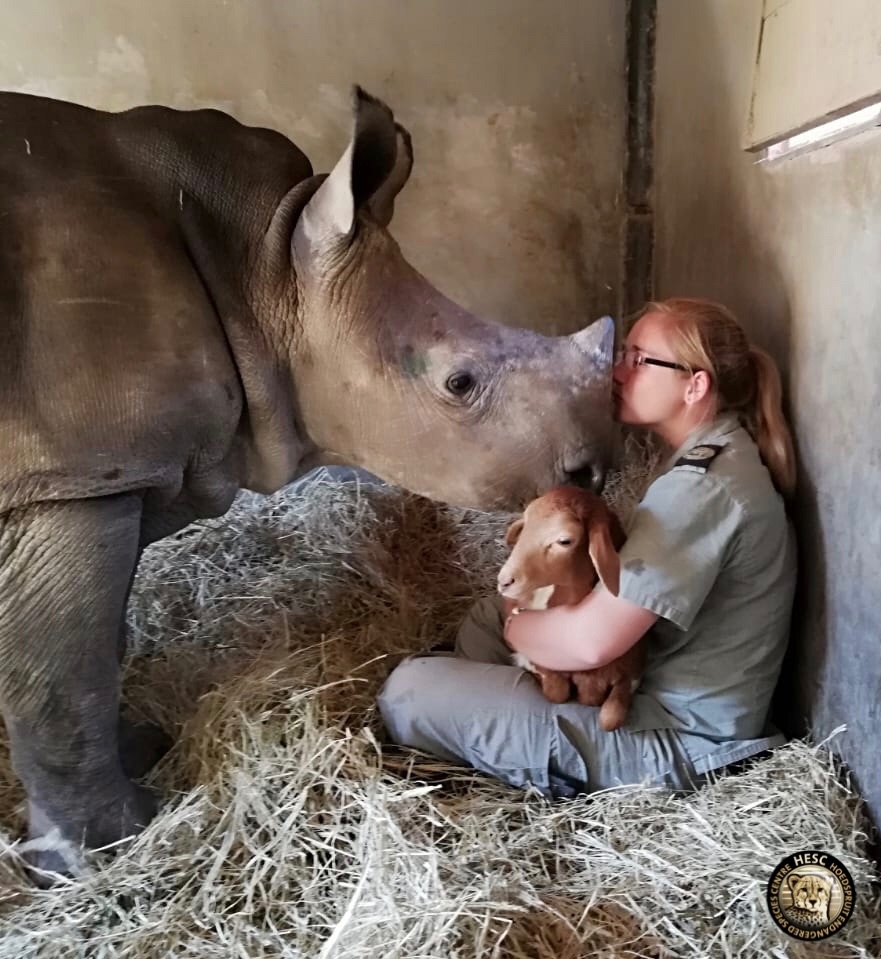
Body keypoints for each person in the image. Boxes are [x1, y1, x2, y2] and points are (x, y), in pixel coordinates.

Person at [378, 298, 798, 798]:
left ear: (695, 385)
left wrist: (521, 625)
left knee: (407, 693)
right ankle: (493, 722)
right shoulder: (711, 458)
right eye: (624, 353)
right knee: (489, 615)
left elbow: (591, 644)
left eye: (640, 359)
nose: (618, 371)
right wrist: (515, 617)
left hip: (678, 742)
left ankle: (498, 737)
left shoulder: (703, 488)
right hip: (660, 692)